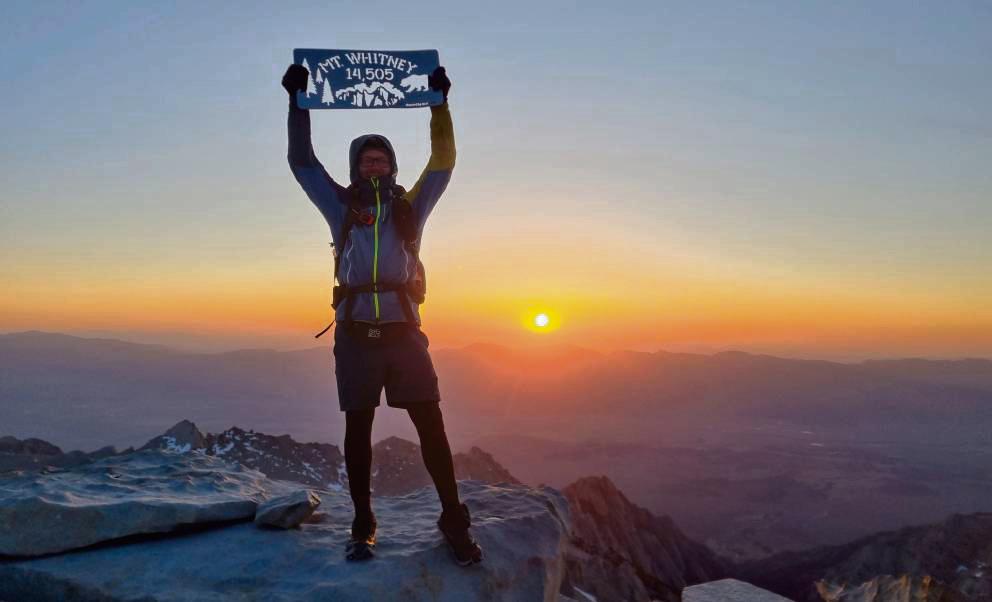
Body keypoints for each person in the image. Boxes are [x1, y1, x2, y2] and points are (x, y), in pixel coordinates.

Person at [282, 62, 483, 566]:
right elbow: (302, 163)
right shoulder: (340, 207)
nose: (374, 166)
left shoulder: (410, 206)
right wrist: (296, 104)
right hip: (355, 331)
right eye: (366, 161)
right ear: (356, 168)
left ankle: (453, 518)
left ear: (392, 166)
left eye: (381, 160)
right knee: (358, 428)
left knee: (431, 423)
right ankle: (363, 521)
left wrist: (440, 105)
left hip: (403, 331)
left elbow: (443, 162)